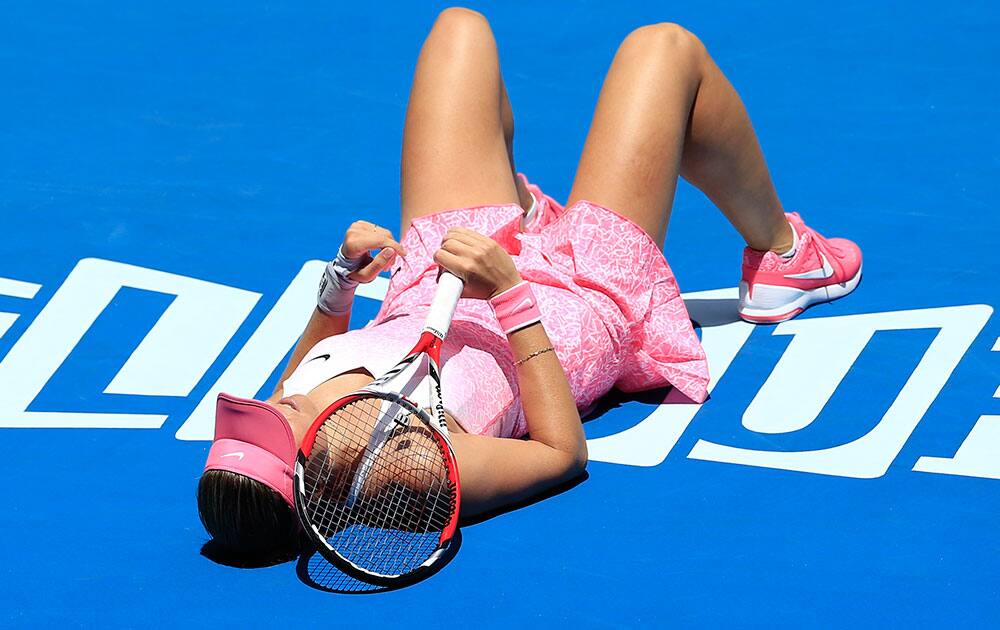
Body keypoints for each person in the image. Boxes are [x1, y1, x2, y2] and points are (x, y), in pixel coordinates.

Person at [199, 8, 862, 556]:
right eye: (264, 428)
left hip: (442, 272)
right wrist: (513, 294)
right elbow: (559, 454)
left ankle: (525, 214)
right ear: (313, 478)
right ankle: (785, 254)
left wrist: (339, 286)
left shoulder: (296, 407)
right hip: (568, 309)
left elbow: (308, 364)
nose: (266, 407)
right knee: (664, 52)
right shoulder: (413, 468)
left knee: (459, 32)